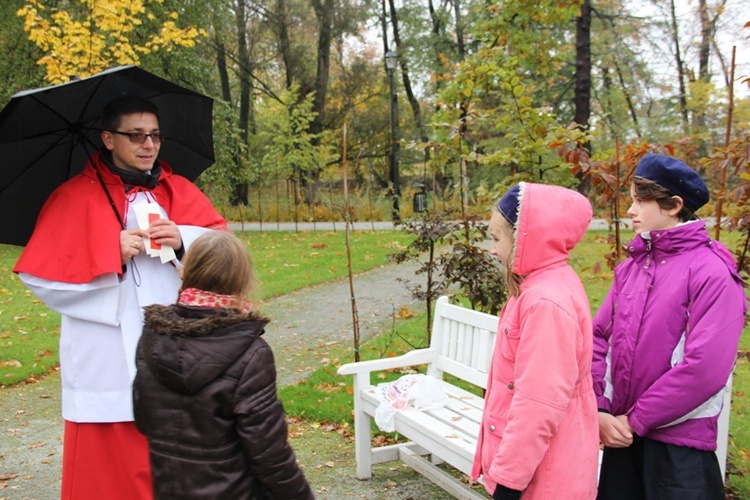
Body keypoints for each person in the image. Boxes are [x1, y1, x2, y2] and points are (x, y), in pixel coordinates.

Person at [14, 95, 228, 499]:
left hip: (175, 341)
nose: (148, 145)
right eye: (136, 135)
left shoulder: (179, 190)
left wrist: (185, 239)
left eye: (155, 136)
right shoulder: (73, 196)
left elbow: (227, 252)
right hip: (107, 350)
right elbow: (39, 276)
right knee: (110, 472)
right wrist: (107, 252)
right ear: (109, 139)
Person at [592, 153, 747, 499]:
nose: (630, 210)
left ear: (674, 205)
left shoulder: (712, 273)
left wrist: (633, 421)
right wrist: (599, 408)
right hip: (622, 440)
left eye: (639, 200)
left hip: (677, 451)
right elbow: (599, 337)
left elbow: (704, 370)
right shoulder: (630, 268)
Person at [132, 231, 314, 499]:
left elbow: (144, 418)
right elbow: (270, 455)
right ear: (241, 280)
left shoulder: (153, 337)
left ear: (187, 272)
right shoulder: (251, 353)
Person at [472, 182, 599, 499]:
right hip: (543, 463)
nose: (492, 248)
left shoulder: (545, 303)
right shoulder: (540, 283)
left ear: (524, 238)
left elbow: (537, 406)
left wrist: (507, 484)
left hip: (546, 475)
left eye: (497, 238)